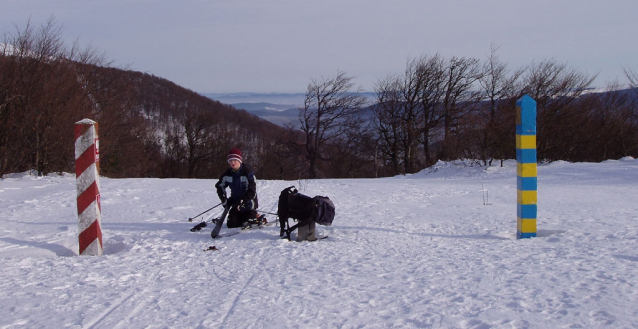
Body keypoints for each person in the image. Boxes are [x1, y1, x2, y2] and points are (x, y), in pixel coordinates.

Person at [215, 148, 260, 228]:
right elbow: (219, 186)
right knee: (232, 224)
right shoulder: (227, 174)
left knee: (250, 221)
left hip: (249, 204)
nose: (232, 162)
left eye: (234, 160)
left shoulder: (248, 172)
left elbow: (251, 190)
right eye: (230, 160)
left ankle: (256, 216)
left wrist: (243, 201)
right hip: (236, 204)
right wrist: (224, 199)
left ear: (239, 161)